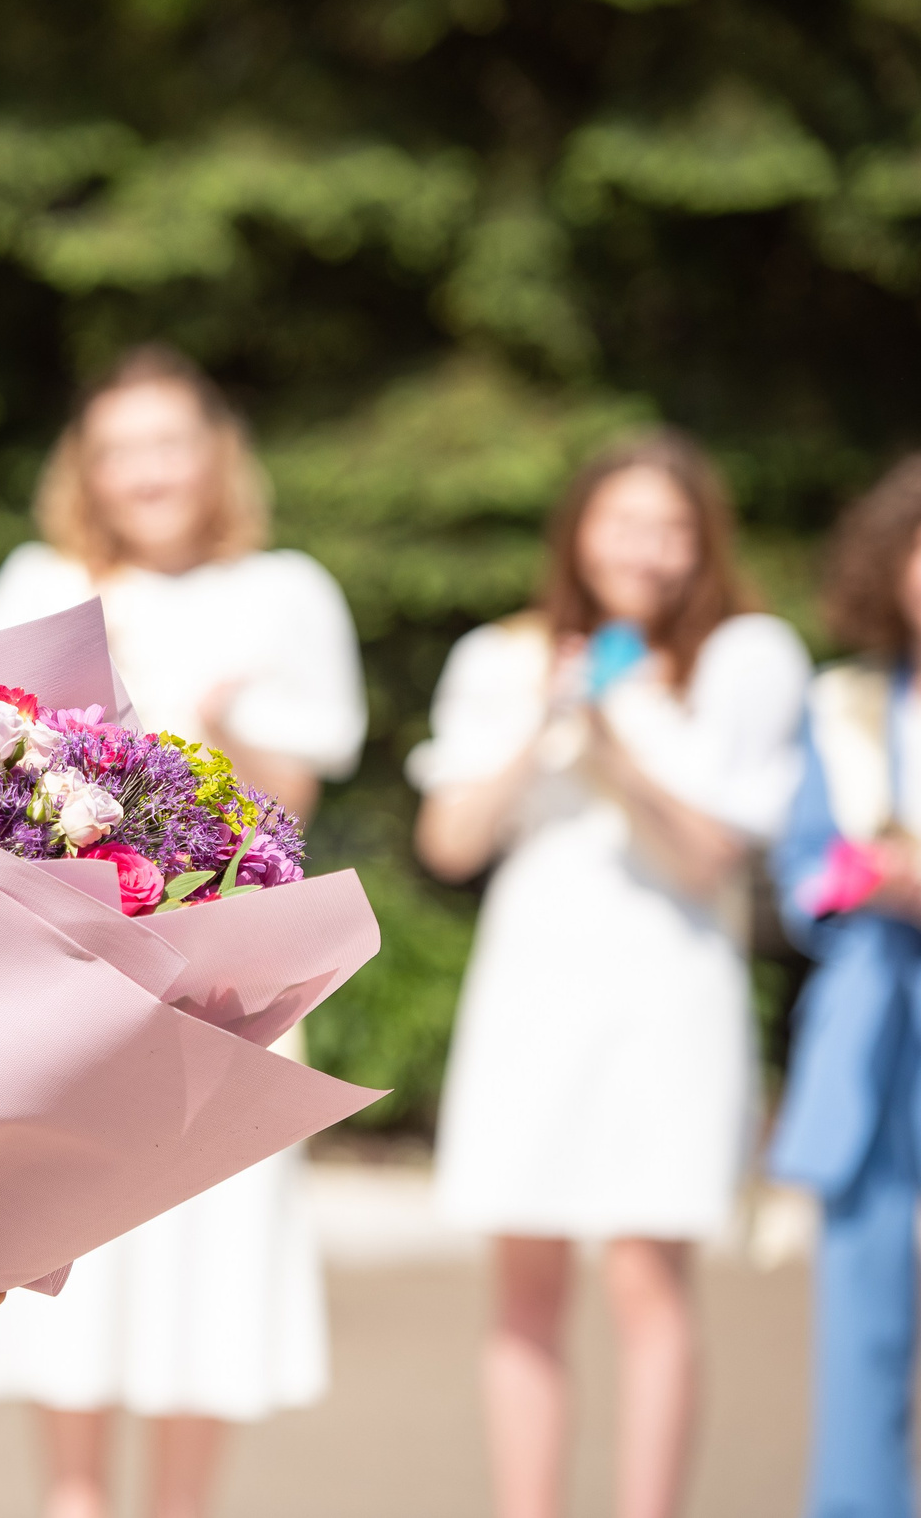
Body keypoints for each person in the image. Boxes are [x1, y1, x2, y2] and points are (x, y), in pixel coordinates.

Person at [0, 345, 365, 1518]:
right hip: (77, 968)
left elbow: (296, 796)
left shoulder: (286, 590)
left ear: (213, 454)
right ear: (90, 466)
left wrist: (206, 729)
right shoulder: (39, 575)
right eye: (123, 449)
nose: (149, 472)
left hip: (231, 961)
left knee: (204, 1257)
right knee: (82, 1247)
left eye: (170, 443)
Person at [411, 431, 809, 1518]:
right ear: (577, 529)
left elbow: (715, 849)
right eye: (624, 521)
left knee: (646, 1271)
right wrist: (545, 713)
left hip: (668, 990)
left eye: (672, 528)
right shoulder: (503, 654)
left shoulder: (747, 653)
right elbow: (449, 840)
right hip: (537, 984)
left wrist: (616, 733)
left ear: (702, 542)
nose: (648, 548)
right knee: (524, 1276)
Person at [766, 454, 921, 1518]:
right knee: (860, 1341)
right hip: (872, 1052)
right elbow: (797, 875)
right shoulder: (847, 704)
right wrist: (868, 876)